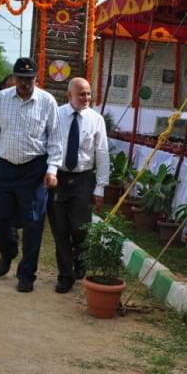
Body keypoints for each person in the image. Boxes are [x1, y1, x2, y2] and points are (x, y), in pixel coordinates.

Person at [0, 57, 63, 293]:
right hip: (3, 166)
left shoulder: (47, 102)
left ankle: (27, 274)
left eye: (29, 79)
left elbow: (55, 138)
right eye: (21, 78)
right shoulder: (2, 99)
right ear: (13, 78)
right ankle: (8, 251)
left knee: (33, 223)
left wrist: (52, 169)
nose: (25, 83)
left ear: (36, 78)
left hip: (33, 170)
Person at [47, 77, 110, 293]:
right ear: (69, 95)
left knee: (79, 228)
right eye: (81, 94)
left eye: (89, 93)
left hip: (83, 179)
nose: (86, 98)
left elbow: (102, 153)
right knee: (60, 230)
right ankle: (66, 275)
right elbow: (48, 145)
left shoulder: (96, 119)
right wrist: (50, 172)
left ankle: (80, 259)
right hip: (58, 178)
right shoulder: (56, 115)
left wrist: (100, 187)